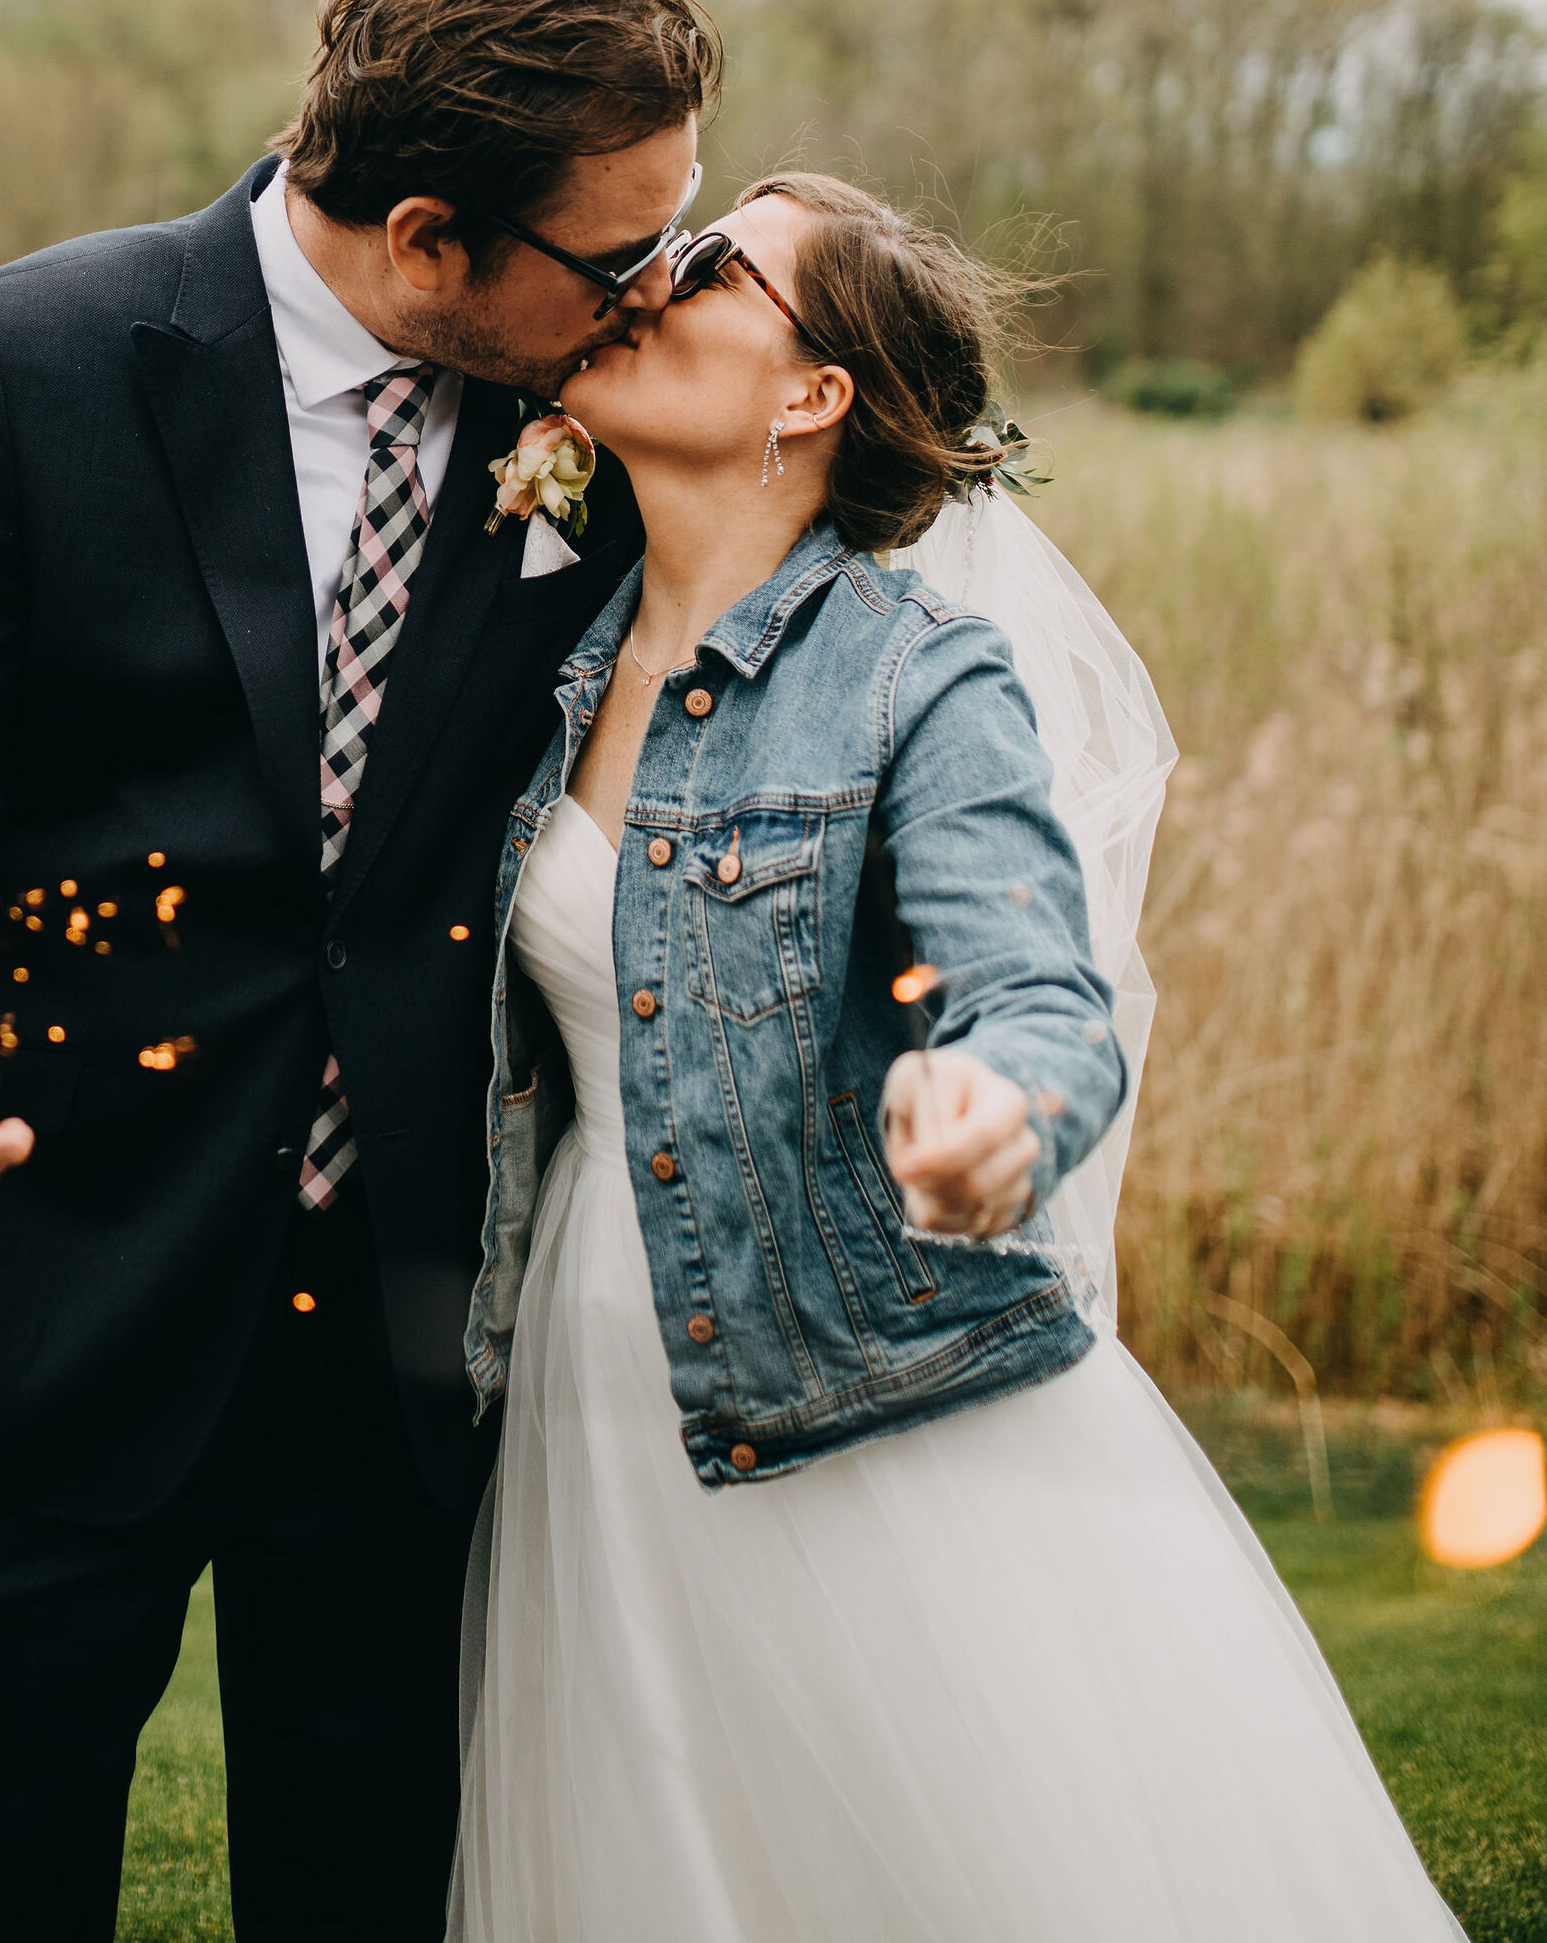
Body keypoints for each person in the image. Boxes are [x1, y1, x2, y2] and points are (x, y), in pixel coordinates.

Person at [0, 0, 718, 1942]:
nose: (655, 297)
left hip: (407, 1365)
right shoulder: (29, 360)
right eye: (619, 254)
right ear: (428, 239)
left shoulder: (608, 431)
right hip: (44, 1308)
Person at [451, 171, 1464, 1942]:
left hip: (857, 1371)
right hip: (594, 1368)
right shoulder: (553, 651)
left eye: (710, 266)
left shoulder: (922, 678)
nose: (646, 284)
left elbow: (1043, 997)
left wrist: (998, 1107)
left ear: (809, 395)